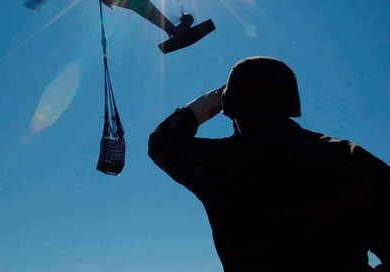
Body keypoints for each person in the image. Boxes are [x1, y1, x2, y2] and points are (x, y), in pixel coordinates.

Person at [149, 56, 390, 272]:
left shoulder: (218, 162)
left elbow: (162, 142)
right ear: (291, 101)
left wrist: (216, 98)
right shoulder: (347, 156)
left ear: (231, 108)